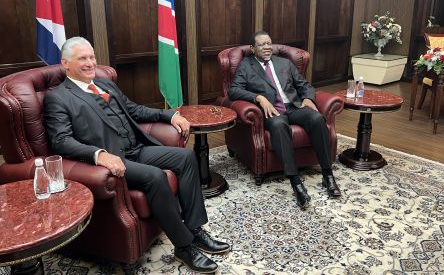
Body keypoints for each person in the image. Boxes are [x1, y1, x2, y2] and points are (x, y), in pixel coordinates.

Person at [43, 36, 229, 274]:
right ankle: (184, 246)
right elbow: (61, 141)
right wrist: (98, 155)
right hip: (114, 160)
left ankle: (194, 229)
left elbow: (134, 109)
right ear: (66, 63)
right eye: (82, 58)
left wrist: (170, 115)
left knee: (186, 157)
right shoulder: (58, 98)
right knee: (155, 177)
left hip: (136, 148)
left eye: (92, 57)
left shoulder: (105, 84)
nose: (90, 63)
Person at [227, 31, 341, 209]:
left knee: (318, 119)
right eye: (262, 44)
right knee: (279, 126)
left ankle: (328, 175)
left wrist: (308, 98)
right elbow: (233, 90)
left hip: (294, 107)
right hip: (273, 112)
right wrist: (258, 98)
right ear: (252, 48)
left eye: (269, 43)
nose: (267, 47)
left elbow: (304, 85)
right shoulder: (246, 66)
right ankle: (295, 182)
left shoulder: (284, 63)